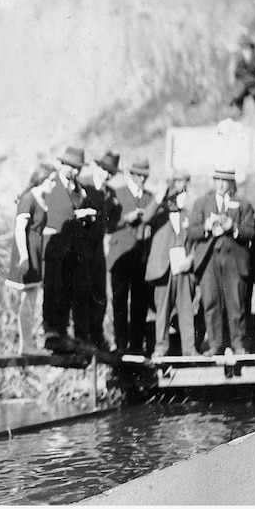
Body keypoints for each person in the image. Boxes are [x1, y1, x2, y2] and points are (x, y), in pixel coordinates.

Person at [188, 168, 255, 355]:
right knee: (211, 302)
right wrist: (206, 227)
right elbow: (192, 232)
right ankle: (215, 345)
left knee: (236, 302)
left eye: (224, 180)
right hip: (209, 260)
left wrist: (233, 227)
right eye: (217, 179)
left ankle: (238, 345)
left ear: (231, 182)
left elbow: (251, 231)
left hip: (234, 259)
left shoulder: (243, 204)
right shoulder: (202, 203)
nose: (220, 184)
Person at [42, 146, 96, 353]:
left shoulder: (78, 189)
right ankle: (51, 333)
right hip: (55, 244)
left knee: (67, 290)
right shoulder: (50, 184)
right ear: (62, 164)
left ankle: (63, 333)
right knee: (52, 289)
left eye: (78, 168)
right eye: (71, 167)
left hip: (73, 247)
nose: (75, 171)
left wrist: (86, 217)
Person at [5, 162, 57, 355]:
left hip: (35, 252)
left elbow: (37, 228)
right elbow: (20, 228)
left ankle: (28, 344)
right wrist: (25, 257)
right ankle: (26, 345)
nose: (53, 185)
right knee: (27, 299)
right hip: (26, 253)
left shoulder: (40, 198)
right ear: (42, 179)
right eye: (51, 181)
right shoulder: (29, 198)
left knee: (31, 298)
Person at [107, 158, 155, 355]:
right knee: (119, 301)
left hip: (141, 257)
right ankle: (120, 344)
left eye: (145, 176)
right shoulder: (117, 193)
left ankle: (136, 345)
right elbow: (108, 224)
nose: (142, 179)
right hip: (120, 256)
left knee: (139, 302)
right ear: (131, 175)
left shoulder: (150, 198)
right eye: (138, 175)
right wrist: (126, 218)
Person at [145, 181, 198, 357]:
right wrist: (158, 197)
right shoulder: (158, 215)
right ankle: (160, 348)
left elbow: (197, 241)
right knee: (163, 311)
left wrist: (191, 259)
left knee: (186, 310)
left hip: (183, 269)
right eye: (171, 197)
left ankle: (189, 349)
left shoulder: (187, 216)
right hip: (163, 270)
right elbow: (145, 217)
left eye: (178, 196)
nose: (174, 201)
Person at [79, 151, 120, 351]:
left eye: (110, 173)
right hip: (82, 245)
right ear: (97, 168)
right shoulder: (83, 185)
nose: (106, 175)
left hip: (98, 247)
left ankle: (97, 335)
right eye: (104, 170)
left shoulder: (110, 193)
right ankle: (84, 336)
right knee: (83, 290)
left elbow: (112, 221)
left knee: (99, 292)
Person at [230, 35, 255, 113]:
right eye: (243, 48)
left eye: (247, 48)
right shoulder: (241, 61)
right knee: (238, 95)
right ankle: (239, 112)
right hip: (245, 87)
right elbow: (237, 73)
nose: (245, 50)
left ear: (251, 48)